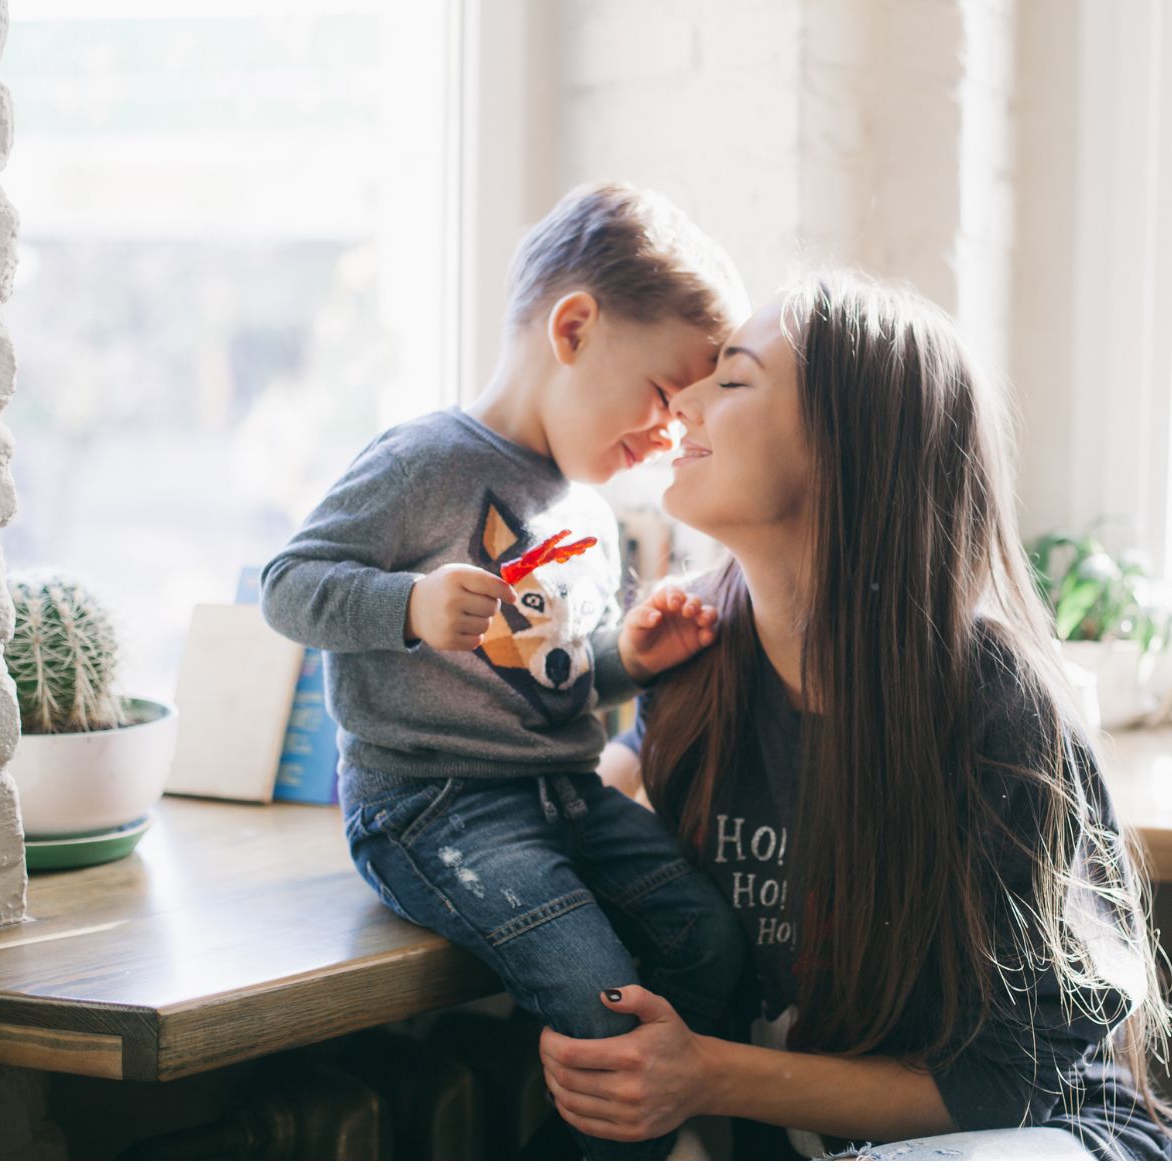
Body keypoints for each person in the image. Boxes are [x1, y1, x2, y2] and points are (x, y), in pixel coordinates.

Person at [540, 272, 1172, 1160]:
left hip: (1034, 1137)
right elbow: (610, 781)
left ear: (851, 449)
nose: (681, 403)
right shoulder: (693, 672)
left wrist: (706, 1075)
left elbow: (1007, 1081)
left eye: (732, 380)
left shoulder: (1002, 715)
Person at [260, 182, 750, 1160]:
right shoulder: (423, 462)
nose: (669, 437)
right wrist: (408, 607)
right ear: (573, 327)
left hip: (560, 793)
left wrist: (631, 658)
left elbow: (559, 681)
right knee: (601, 1001)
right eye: (664, 396)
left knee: (713, 948)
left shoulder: (592, 515)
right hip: (428, 803)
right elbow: (288, 584)